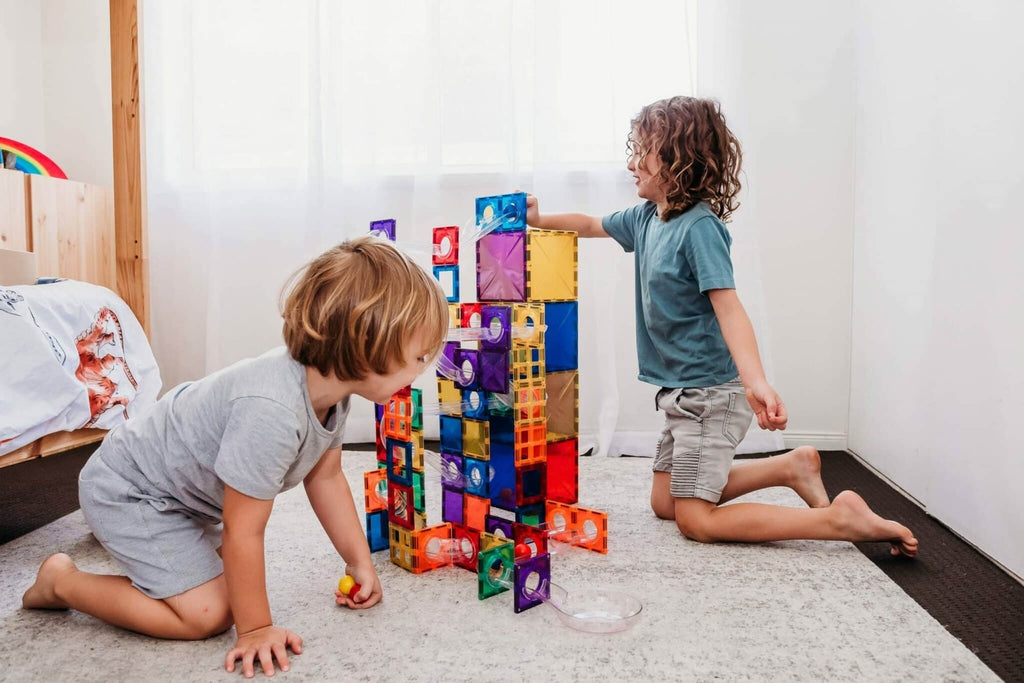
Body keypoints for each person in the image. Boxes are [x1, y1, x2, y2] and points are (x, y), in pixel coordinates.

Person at [23, 236, 449, 677]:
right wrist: (255, 628)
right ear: (365, 347)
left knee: (225, 573)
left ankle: (130, 543)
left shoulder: (332, 391)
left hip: (181, 497)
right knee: (209, 612)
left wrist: (358, 560)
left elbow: (326, 479)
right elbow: (244, 530)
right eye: (418, 357)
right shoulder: (273, 411)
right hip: (130, 491)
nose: (422, 370)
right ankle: (61, 582)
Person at [525, 96, 917, 557]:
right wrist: (537, 220)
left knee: (696, 521)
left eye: (642, 152)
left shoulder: (699, 228)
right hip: (680, 393)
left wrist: (757, 383)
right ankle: (792, 467)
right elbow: (590, 223)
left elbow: (729, 308)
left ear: (675, 160)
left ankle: (835, 520)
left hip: (711, 395)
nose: (631, 164)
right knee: (665, 504)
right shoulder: (648, 218)